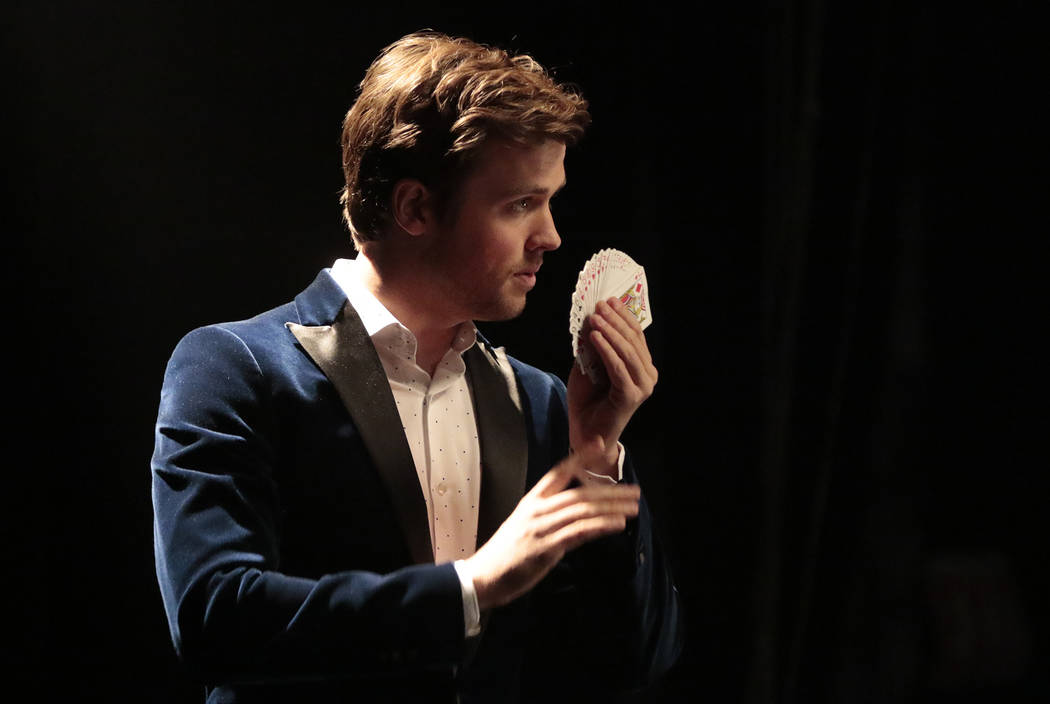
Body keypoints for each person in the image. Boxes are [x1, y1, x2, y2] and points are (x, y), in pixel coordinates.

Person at [152, 31, 683, 703]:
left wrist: (599, 455)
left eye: (550, 201)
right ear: (415, 208)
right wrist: (471, 587)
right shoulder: (236, 368)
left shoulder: (544, 402)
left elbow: (634, 663)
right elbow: (215, 617)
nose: (550, 236)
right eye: (520, 204)